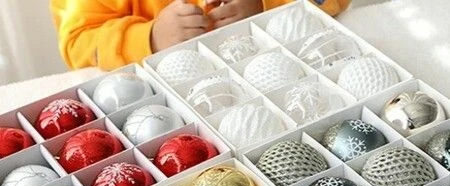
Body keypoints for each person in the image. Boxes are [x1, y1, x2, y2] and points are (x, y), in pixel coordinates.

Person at [50, 0, 293, 71]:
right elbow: (78, 42)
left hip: (264, 61)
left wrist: (264, 6)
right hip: (161, 84)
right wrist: (150, 37)